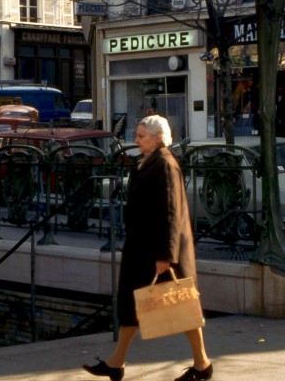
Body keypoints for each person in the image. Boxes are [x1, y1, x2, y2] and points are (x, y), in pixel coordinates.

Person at [82, 114, 212, 381]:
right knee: (134, 304)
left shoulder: (164, 163)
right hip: (145, 248)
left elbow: (170, 210)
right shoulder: (151, 161)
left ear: (158, 138)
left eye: (141, 136)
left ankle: (202, 364)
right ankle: (116, 362)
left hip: (157, 251)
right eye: (137, 135)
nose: (136, 140)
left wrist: (165, 255)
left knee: (182, 307)